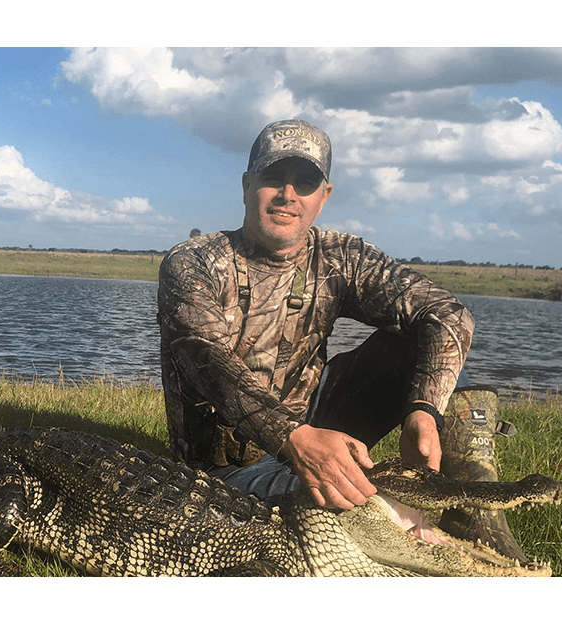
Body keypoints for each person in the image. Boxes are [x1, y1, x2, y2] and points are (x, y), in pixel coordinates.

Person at [158, 119, 529, 561]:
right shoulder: (193, 262)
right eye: (273, 177)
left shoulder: (340, 257)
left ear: (324, 196)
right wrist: (295, 438)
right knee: (350, 505)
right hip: (220, 472)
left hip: (317, 426)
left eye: (305, 182)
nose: (288, 194)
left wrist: (423, 410)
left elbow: (447, 312)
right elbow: (206, 361)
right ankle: (391, 502)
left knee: (414, 337)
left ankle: (473, 508)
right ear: (246, 185)